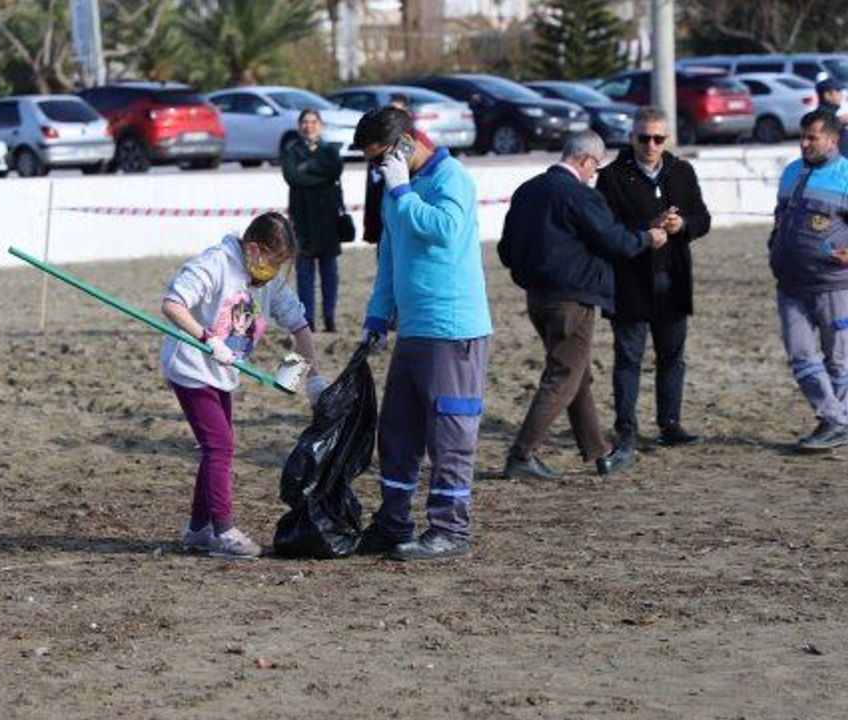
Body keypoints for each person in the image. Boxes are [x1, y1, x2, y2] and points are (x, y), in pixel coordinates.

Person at [351, 106, 493, 561]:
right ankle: (393, 522)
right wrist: (377, 317)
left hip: (453, 330)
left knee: (450, 432)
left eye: (380, 158)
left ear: (406, 143)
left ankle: (450, 529)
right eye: (372, 163)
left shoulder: (452, 178)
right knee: (398, 430)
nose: (378, 169)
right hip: (413, 330)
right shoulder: (395, 190)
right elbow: (389, 259)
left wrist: (403, 191)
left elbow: (445, 230)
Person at [497, 131, 668, 480]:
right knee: (563, 375)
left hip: (537, 297)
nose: (594, 174)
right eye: (595, 167)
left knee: (577, 373)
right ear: (586, 160)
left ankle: (599, 452)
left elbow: (506, 249)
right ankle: (521, 454)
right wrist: (648, 238)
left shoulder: (527, 190)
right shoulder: (579, 194)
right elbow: (614, 241)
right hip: (572, 300)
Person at [160, 212, 329, 558]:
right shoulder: (215, 264)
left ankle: (198, 529)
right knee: (220, 445)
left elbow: (299, 326)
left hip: (222, 372)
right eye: (273, 262)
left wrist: (307, 378)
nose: (275, 271)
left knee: (216, 447)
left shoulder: (269, 282)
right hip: (191, 366)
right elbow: (172, 304)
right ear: (253, 250)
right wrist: (208, 338)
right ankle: (223, 531)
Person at [597, 106, 712, 451]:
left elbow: (703, 218)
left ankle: (670, 424)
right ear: (632, 137)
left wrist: (683, 225)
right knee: (628, 359)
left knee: (672, 357)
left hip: (672, 279)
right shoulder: (611, 177)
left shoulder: (682, 171)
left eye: (658, 139)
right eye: (644, 138)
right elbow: (604, 229)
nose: (650, 145)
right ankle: (626, 428)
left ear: (668, 139)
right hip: (630, 281)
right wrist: (647, 227)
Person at [768, 109, 848, 451]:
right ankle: (836, 420)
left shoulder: (846, 175)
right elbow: (779, 217)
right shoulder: (791, 172)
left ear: (832, 139)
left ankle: (834, 423)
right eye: (802, 137)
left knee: (838, 361)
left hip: (834, 285)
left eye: (812, 137)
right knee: (800, 354)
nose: (804, 143)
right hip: (790, 284)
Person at [282, 109, 345, 333]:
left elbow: (335, 170)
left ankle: (329, 317)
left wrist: (308, 167)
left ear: (321, 125)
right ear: (299, 125)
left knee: (330, 274)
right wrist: (320, 175)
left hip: (328, 219)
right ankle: (307, 319)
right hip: (302, 219)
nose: (309, 126)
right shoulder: (291, 150)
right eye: (305, 122)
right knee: (305, 275)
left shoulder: (330, 150)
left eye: (313, 122)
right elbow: (292, 177)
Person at [815, 77, 848, 155]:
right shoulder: (822, 114)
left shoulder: (830, 113)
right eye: (838, 91)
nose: (841, 95)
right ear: (827, 95)